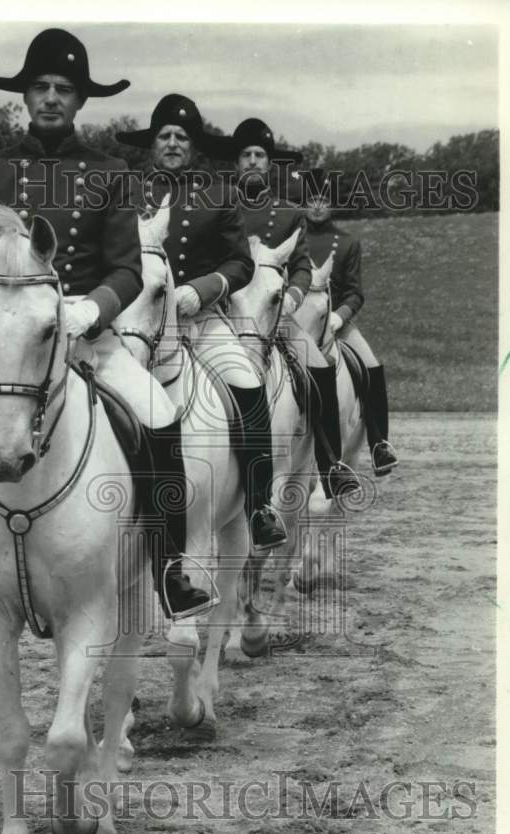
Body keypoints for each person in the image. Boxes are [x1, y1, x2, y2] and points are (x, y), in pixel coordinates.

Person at [0, 29, 213, 632]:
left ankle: (172, 567)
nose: (52, 98)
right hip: (13, 341)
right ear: (25, 96)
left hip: (92, 337)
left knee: (160, 418)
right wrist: (4, 307)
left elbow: (128, 268)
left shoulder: (111, 171)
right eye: (41, 87)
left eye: (64, 89)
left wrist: (95, 309)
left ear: (81, 100)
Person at [116, 95, 289, 553]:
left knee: (247, 382)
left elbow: (241, 264)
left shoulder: (219, 193)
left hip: (202, 320)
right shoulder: (128, 193)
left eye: (181, 137)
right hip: (136, 317)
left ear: (193, 146)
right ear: (152, 144)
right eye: (164, 136)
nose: (172, 143)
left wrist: (205, 289)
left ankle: (258, 504)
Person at [227, 118, 361, 499]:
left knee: (319, 366)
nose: (253, 161)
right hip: (226, 313)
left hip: (275, 315)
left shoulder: (287, 214)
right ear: (236, 163)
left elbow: (301, 266)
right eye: (246, 155)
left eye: (259, 155)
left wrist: (294, 297)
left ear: (269, 164)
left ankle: (331, 462)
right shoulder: (221, 207)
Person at [304, 167, 399, 476]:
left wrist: (339, 315)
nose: (317, 206)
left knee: (370, 365)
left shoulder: (347, 243)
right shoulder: (292, 240)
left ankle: (379, 443)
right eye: (311, 199)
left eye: (323, 200)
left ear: (332, 204)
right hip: (297, 322)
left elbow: (355, 293)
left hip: (336, 325)